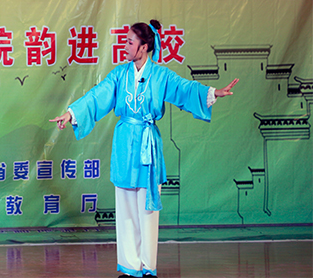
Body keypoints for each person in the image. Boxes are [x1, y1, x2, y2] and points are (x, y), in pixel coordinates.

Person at [50, 20, 238, 278]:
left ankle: (148, 268)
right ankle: (130, 268)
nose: (125, 46)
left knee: (147, 211)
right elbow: (96, 96)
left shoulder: (161, 76)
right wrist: (71, 114)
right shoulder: (119, 74)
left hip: (148, 145)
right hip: (124, 145)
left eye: (130, 42)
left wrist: (213, 93)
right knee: (126, 208)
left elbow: (185, 89)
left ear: (144, 46)